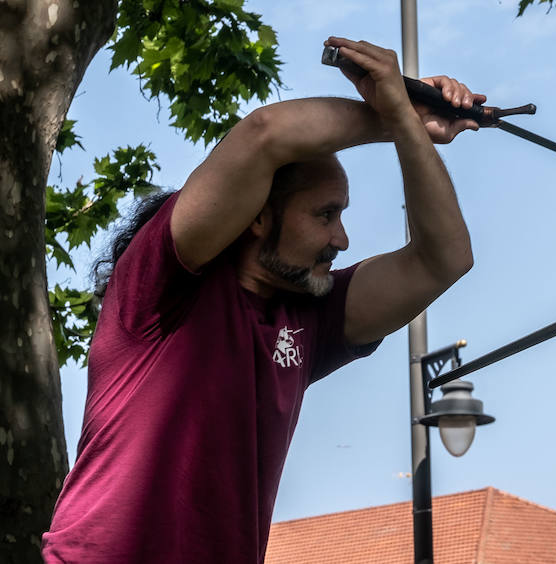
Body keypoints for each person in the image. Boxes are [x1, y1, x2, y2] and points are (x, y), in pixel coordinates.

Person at [43, 37, 483, 564]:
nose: (342, 239)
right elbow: (266, 133)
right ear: (256, 215)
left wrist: (411, 128)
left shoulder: (310, 318)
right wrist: (394, 112)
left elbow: (445, 259)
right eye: (325, 214)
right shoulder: (161, 286)